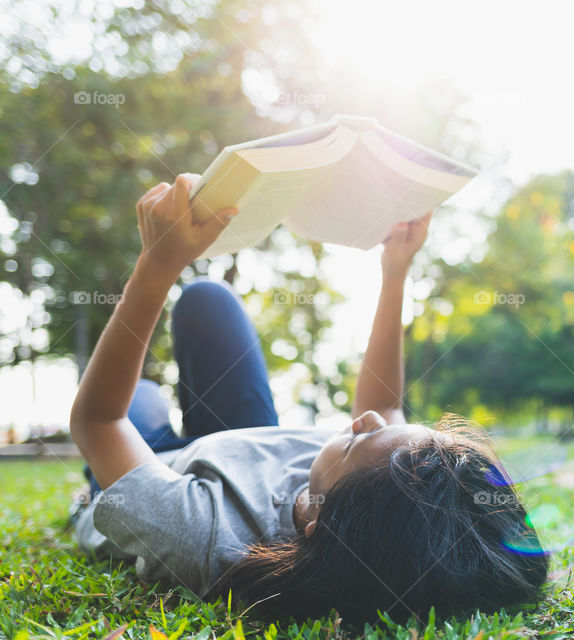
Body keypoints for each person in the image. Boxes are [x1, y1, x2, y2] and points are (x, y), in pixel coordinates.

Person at [70, 174, 549, 624]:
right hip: (238, 444)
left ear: (319, 522)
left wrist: (156, 266)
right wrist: (396, 267)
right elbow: (382, 406)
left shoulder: (205, 537)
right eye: (390, 428)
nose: (364, 420)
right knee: (206, 301)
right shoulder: (356, 483)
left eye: (357, 443)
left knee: (142, 401)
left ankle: (120, 456)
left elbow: (100, 421)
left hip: (154, 464)